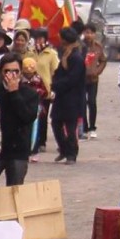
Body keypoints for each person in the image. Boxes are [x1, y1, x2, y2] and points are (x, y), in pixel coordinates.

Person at [0, 54, 39, 186]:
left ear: (21, 72)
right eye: (7, 71)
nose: (11, 75)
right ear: (1, 72)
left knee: (15, 190)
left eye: (15, 71)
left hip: (18, 149)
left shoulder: (30, 93)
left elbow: (28, 117)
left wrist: (14, 93)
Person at [51, 27, 85, 164]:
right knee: (55, 123)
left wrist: (57, 85)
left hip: (73, 98)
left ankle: (72, 154)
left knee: (70, 128)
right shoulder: (65, 54)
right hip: (61, 97)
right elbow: (59, 72)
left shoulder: (76, 57)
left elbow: (73, 79)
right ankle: (63, 149)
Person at [82, 25, 106, 138]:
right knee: (82, 103)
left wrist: (97, 71)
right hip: (81, 79)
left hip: (93, 79)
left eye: (91, 33)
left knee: (92, 102)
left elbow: (103, 61)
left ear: (94, 34)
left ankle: (92, 127)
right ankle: (84, 127)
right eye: (87, 32)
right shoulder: (80, 46)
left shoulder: (98, 47)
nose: (89, 35)